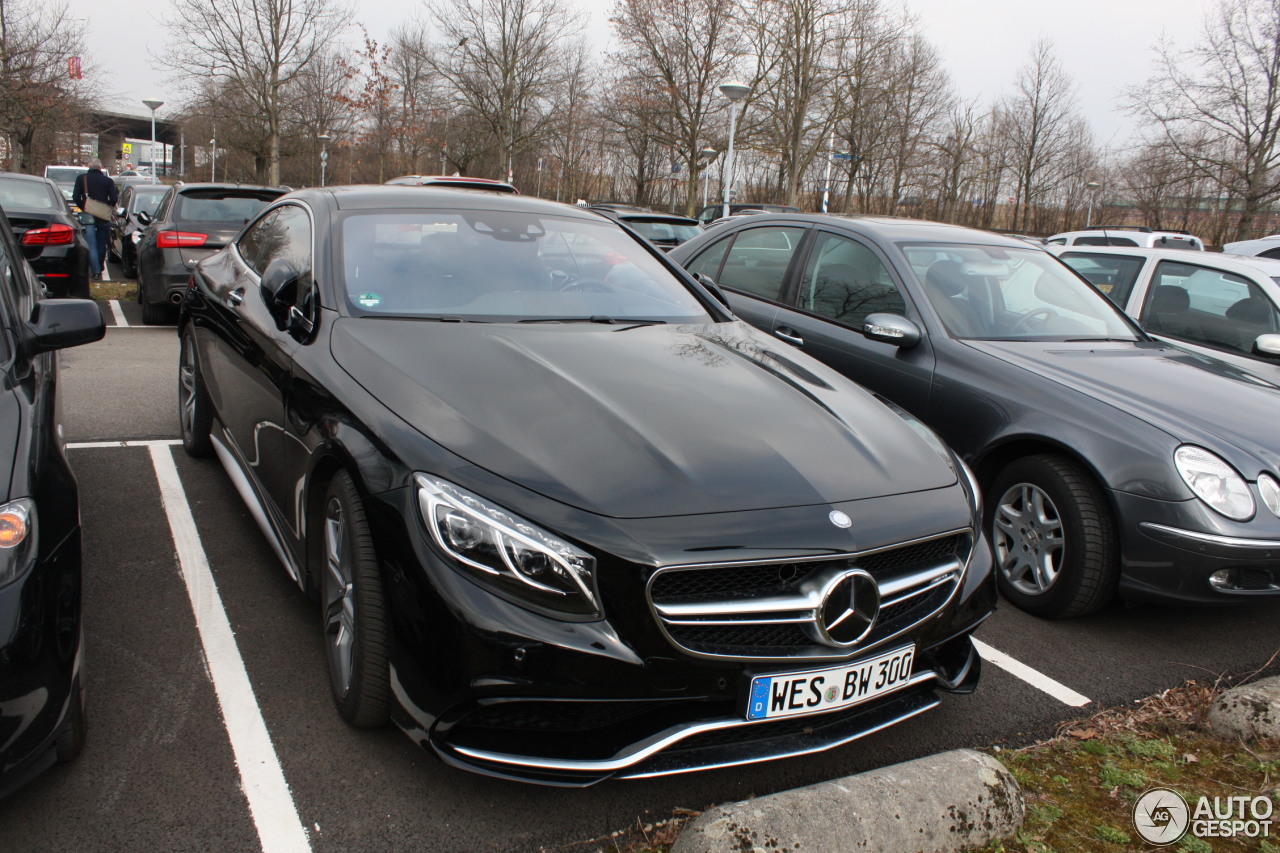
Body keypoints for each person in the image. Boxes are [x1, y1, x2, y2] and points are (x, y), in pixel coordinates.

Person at [72, 158, 119, 281]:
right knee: (102, 242)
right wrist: (107, 206)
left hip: (88, 215)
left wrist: (84, 206)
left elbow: (75, 196)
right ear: (100, 167)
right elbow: (114, 198)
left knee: (91, 243)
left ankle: (96, 271)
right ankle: (99, 265)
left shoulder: (82, 179)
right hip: (103, 215)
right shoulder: (108, 181)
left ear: (89, 166)